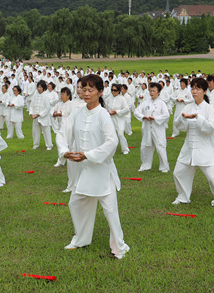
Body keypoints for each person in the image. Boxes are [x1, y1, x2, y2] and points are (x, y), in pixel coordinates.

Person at [57, 74, 129, 259]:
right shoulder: (77, 112)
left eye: (90, 90)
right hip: (85, 171)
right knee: (76, 203)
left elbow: (111, 142)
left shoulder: (103, 115)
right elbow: (63, 132)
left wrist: (88, 155)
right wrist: (65, 151)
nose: (86, 93)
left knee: (110, 210)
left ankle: (119, 247)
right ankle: (81, 238)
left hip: (102, 170)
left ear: (100, 92)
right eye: (83, 89)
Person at [172, 78, 214, 209]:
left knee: (212, 177)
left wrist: (197, 117)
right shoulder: (187, 106)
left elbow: (210, 128)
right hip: (189, 147)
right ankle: (183, 196)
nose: (194, 91)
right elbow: (179, 127)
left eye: (198, 89)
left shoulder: (209, 109)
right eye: (193, 88)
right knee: (177, 173)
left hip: (204, 148)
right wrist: (183, 117)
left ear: (204, 91)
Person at [133, 82, 170, 173]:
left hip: (158, 129)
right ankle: (146, 165)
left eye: (154, 91)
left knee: (160, 147)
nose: (152, 93)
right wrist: (143, 117)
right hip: (147, 129)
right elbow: (136, 111)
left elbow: (166, 115)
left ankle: (164, 166)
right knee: (145, 147)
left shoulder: (162, 103)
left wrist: (155, 118)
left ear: (158, 92)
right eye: (150, 91)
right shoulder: (146, 102)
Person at [29, 80, 53, 150]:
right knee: (35, 131)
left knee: (46, 131)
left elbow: (47, 107)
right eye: (38, 87)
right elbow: (31, 105)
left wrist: (40, 114)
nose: (39, 88)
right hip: (35, 117)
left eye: (40, 87)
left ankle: (49, 145)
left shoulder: (46, 95)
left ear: (43, 88)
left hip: (43, 117)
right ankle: (36, 144)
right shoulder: (35, 95)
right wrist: (31, 113)